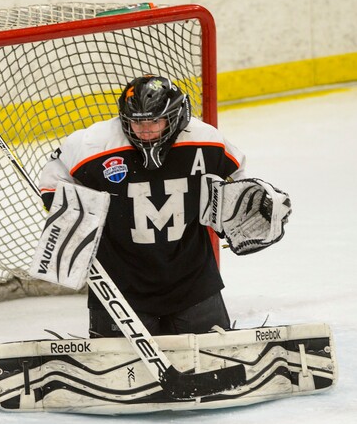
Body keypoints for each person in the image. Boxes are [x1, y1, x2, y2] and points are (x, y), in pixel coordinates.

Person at [38, 75, 247, 337]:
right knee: (118, 375)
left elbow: (240, 180)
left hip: (193, 282)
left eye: (154, 121)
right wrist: (74, 217)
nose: (145, 129)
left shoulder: (206, 140)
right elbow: (51, 182)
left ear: (176, 116)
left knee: (214, 365)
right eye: (137, 122)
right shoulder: (92, 144)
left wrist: (245, 213)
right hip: (118, 286)